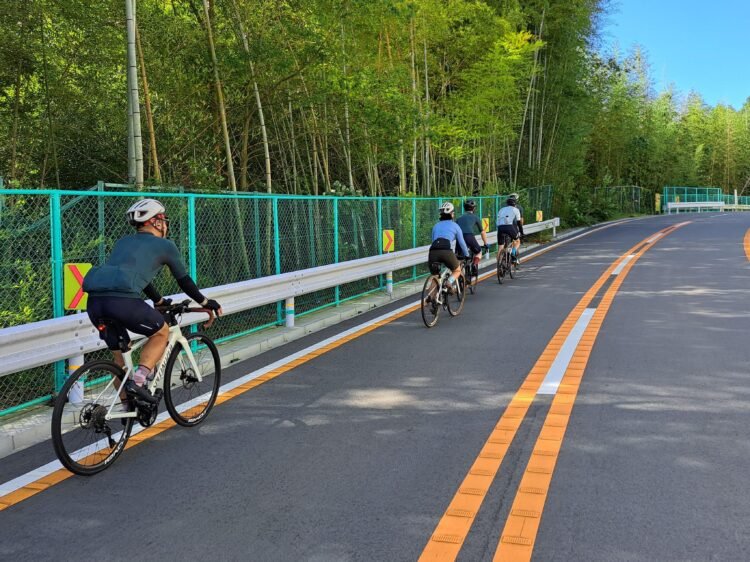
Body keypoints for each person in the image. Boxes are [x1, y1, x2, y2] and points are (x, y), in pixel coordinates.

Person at [83, 199, 222, 404]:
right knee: (161, 332)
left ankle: (127, 408)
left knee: (120, 361)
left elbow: (134, 275)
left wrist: (157, 300)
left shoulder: (123, 242)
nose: (166, 224)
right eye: (164, 220)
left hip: (95, 303)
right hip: (123, 302)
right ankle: (139, 382)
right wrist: (204, 301)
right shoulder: (165, 246)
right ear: (156, 222)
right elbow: (183, 280)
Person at [429, 202, 470, 292]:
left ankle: (430, 298)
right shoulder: (455, 226)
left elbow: (433, 240)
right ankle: (449, 282)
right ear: (451, 214)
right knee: (457, 270)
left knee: (435, 276)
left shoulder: (436, 226)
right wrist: (467, 255)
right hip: (446, 251)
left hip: (433, 251)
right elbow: (462, 242)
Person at [455, 199, 488, 272]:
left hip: (459, 238)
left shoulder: (459, 218)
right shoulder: (475, 217)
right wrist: (486, 244)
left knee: (459, 258)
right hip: (469, 236)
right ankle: (474, 264)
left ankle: (459, 277)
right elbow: (482, 232)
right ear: (474, 208)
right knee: (479, 252)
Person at [496, 197, 524, 265]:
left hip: (500, 228)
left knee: (500, 247)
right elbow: (519, 222)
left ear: (507, 204)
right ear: (515, 204)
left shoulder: (501, 209)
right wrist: (521, 232)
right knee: (517, 241)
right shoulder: (516, 209)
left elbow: (498, 220)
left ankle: (499, 265)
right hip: (509, 227)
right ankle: (513, 254)